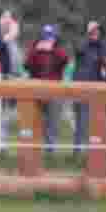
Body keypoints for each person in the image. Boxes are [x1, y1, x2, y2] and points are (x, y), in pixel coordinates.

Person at [24, 24, 69, 152]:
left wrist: (52, 49)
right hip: (36, 90)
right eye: (45, 37)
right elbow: (26, 65)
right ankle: (33, 149)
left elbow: (65, 60)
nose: (48, 40)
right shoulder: (35, 48)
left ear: (55, 37)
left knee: (52, 122)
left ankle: (50, 150)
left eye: (51, 37)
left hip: (54, 91)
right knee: (35, 121)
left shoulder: (58, 49)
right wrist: (36, 50)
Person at [71, 21, 106, 153]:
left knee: (99, 122)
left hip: (99, 90)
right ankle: (78, 152)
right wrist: (89, 39)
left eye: (97, 31)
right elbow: (79, 49)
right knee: (81, 121)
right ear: (87, 32)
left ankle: (98, 151)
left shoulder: (102, 46)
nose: (95, 33)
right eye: (92, 31)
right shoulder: (82, 43)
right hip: (82, 88)